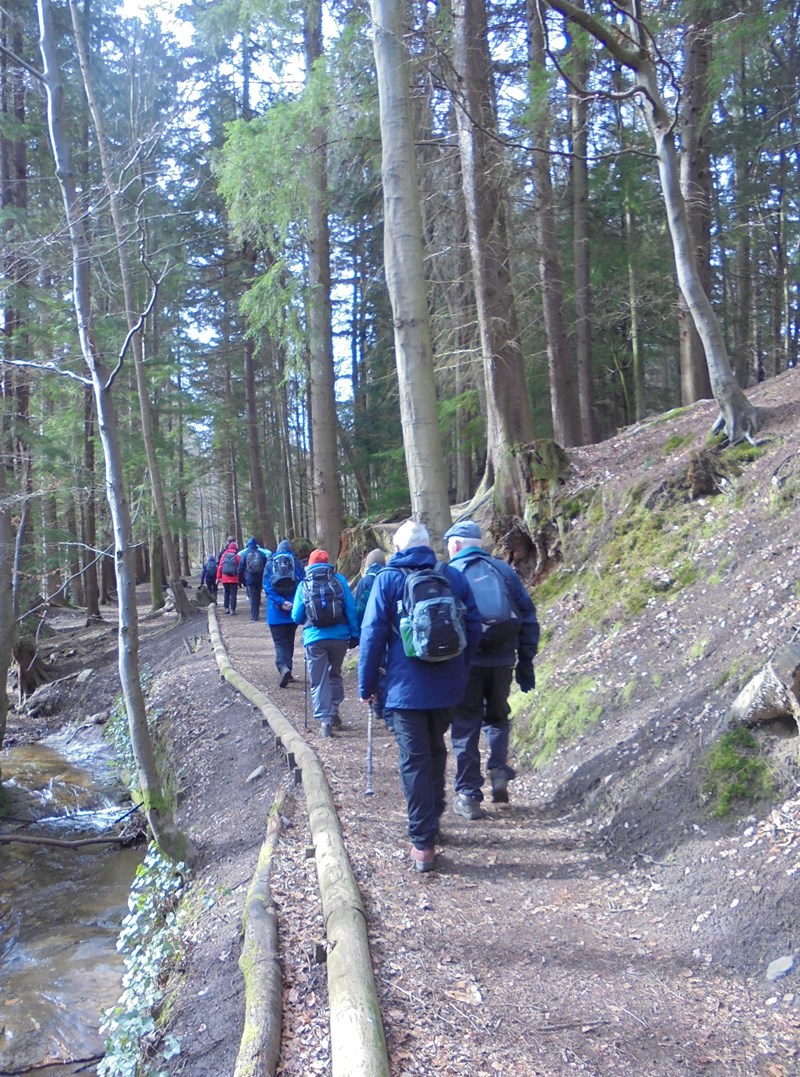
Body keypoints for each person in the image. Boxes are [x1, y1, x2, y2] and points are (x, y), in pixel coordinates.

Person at [358, 519, 481, 873]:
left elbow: (372, 636)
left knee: (414, 760)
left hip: (403, 690)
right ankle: (434, 818)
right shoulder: (451, 576)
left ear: (398, 548)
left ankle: (422, 843)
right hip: (447, 687)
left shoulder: (388, 580)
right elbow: (473, 626)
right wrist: (460, 665)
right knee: (436, 748)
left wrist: (366, 685)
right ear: (428, 546)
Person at [444, 520, 539, 816]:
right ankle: (498, 771)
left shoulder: (450, 574)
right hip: (503, 659)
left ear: (456, 545)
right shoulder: (503, 570)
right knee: (497, 716)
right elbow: (528, 616)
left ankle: (469, 795)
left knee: (465, 725)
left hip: (466, 662)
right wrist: (525, 660)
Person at [291, 549, 359, 737]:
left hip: (314, 639)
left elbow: (296, 616)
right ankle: (334, 710)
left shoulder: (304, 584)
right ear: (328, 563)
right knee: (335, 674)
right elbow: (351, 608)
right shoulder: (339, 580)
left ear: (310, 565)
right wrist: (354, 634)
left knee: (319, 679)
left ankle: (325, 721)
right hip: (339, 637)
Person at [353, 549, 391, 729]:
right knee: (386, 666)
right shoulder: (388, 577)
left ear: (367, 564)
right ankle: (385, 705)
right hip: (389, 631)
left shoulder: (364, 581)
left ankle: (376, 704)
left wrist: (359, 632)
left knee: (371, 664)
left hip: (368, 631)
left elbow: (358, 609)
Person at [264, 539, 305, 688]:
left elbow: (267, 587)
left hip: (275, 613)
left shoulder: (270, 564)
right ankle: (288, 669)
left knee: (280, 643)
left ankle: (283, 667)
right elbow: (302, 586)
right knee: (289, 641)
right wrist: (293, 603)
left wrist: (281, 602)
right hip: (293, 611)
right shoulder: (297, 563)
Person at [239, 537, 269, 622]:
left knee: (252, 597)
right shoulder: (261, 554)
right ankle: (257, 613)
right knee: (258, 595)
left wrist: (240, 580)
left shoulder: (245, 554)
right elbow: (267, 566)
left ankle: (254, 616)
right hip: (260, 578)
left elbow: (241, 568)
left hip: (250, 579)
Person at [216, 539, 241, 615]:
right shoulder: (237, 556)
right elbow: (240, 567)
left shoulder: (223, 556)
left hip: (225, 578)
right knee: (233, 594)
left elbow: (220, 567)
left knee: (226, 593)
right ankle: (232, 610)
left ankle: (226, 608)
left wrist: (218, 578)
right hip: (234, 578)